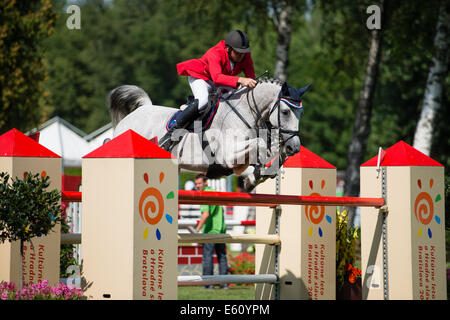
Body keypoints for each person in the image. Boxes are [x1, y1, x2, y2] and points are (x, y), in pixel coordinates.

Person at [159, 30, 257, 150]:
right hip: (201, 78)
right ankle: (171, 134)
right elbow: (216, 78)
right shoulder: (215, 53)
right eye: (238, 53)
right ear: (228, 49)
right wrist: (241, 80)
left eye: (243, 52)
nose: (241, 56)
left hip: (223, 81)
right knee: (203, 101)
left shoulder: (245, 56)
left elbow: (251, 77)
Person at [194, 173, 228, 289]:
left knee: (207, 257)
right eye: (196, 184)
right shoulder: (214, 192)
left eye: (199, 183)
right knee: (222, 256)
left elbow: (206, 214)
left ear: (205, 182)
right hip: (221, 230)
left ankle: (208, 284)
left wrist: (197, 231)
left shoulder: (204, 194)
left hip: (210, 231)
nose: (197, 186)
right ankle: (224, 284)